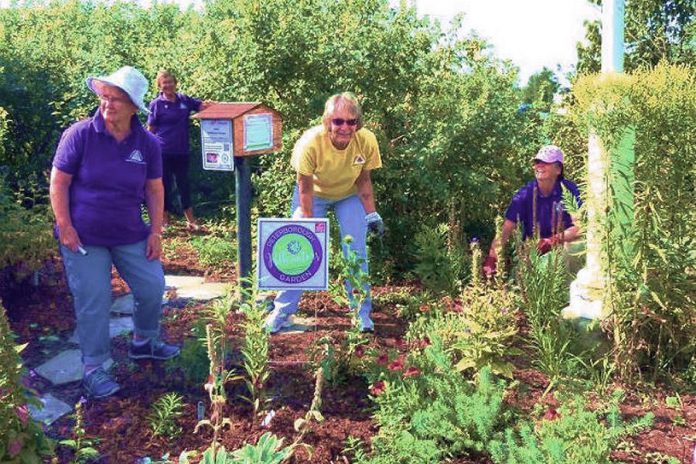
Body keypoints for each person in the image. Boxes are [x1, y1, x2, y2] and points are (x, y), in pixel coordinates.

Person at [50, 66, 180, 399]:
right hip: (83, 237)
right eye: (104, 96)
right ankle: (95, 368)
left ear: (134, 106)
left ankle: (144, 341)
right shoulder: (79, 135)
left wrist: (155, 232)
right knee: (95, 299)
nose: (107, 104)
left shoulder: (147, 143)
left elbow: (154, 189)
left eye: (116, 98)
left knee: (152, 285)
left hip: (129, 232)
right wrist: (64, 226)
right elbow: (59, 182)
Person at [265, 92, 384, 334]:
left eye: (351, 122)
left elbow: (364, 180)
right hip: (313, 195)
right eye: (338, 121)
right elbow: (304, 187)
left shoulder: (367, 140)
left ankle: (360, 313)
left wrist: (371, 213)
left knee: (356, 251)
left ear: (357, 124)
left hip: (348, 195)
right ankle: (283, 311)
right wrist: (309, 229)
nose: (345, 127)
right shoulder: (309, 143)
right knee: (296, 247)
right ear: (327, 121)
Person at [483, 145, 581, 276]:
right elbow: (505, 230)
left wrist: (551, 241)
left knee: (570, 252)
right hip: (533, 252)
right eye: (537, 162)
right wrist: (492, 258)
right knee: (522, 279)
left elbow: (579, 227)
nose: (539, 166)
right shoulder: (525, 194)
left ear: (558, 169)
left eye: (545, 162)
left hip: (563, 247)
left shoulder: (569, 191)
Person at [147, 70, 213, 231]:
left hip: (182, 150)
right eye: (165, 83)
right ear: (160, 86)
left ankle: (191, 221)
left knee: (184, 185)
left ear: (176, 83)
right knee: (164, 185)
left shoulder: (184, 100)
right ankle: (164, 221)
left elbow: (200, 106)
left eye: (171, 82)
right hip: (163, 151)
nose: (168, 85)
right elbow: (150, 129)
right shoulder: (156, 104)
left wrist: (212, 105)